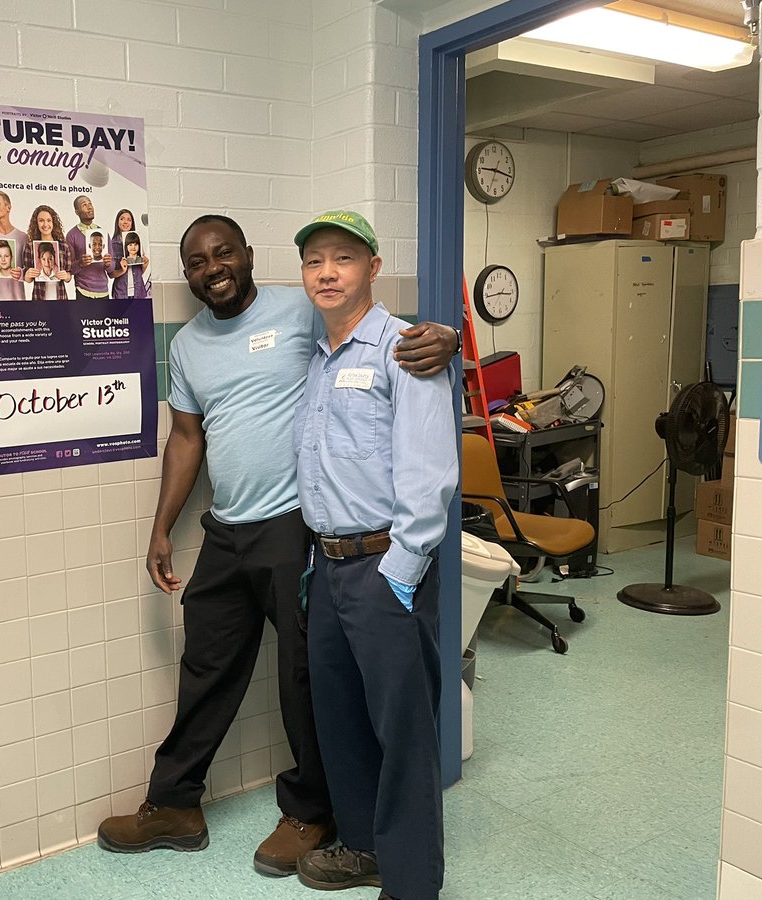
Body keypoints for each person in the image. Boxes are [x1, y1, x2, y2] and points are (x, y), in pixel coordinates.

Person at [96, 214, 457, 878]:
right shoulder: (190, 345)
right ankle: (175, 802)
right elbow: (186, 439)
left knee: (307, 682)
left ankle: (314, 813)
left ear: (249, 255)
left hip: (300, 528)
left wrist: (448, 335)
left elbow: (387, 341)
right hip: (232, 530)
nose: (213, 267)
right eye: (198, 261)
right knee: (208, 662)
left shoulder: (301, 309)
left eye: (223, 252)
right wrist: (160, 527)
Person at [291, 211, 455, 900]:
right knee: (341, 717)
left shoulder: (406, 348)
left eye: (344, 258)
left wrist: (401, 574)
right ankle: (362, 847)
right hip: (328, 567)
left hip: (387, 565)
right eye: (315, 261)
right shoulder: (319, 356)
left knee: (403, 732)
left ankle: (412, 884)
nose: (327, 272)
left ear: (373, 268)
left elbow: (430, 472)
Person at [21, 204, 73, 300]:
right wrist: (28, 274)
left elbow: (69, 275)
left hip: (60, 298)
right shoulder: (30, 246)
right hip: (39, 298)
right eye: (41, 221)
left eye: (49, 220)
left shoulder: (63, 246)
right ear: (36, 223)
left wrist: (66, 276)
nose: (45, 224)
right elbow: (27, 278)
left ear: (54, 223)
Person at [66, 193, 112, 298]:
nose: (89, 207)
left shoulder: (103, 233)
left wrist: (109, 263)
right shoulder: (71, 235)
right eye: (84, 205)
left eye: (90, 203)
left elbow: (111, 269)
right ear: (77, 212)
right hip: (83, 291)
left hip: (103, 291)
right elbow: (70, 268)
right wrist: (81, 263)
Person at [109, 209, 150, 300]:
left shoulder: (137, 241)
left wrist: (145, 265)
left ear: (132, 223)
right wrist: (122, 270)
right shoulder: (112, 244)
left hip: (138, 291)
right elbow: (111, 274)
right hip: (121, 292)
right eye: (122, 219)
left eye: (129, 220)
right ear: (117, 222)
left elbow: (140, 271)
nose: (125, 222)